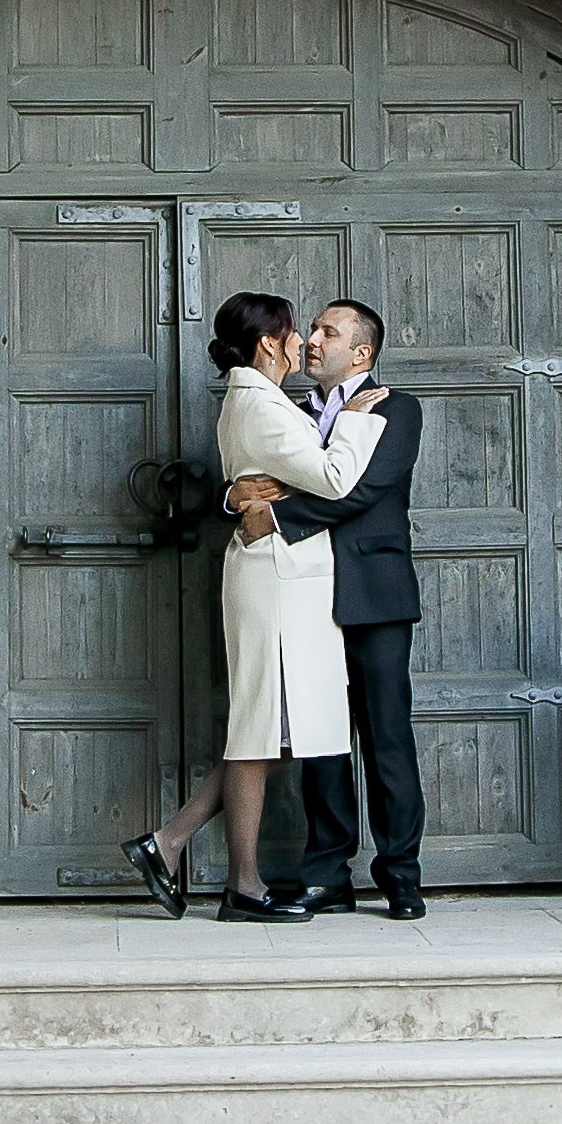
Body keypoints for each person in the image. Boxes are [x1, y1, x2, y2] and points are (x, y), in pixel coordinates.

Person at [121, 292, 386, 922]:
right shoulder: (260, 404)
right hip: (275, 583)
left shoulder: (260, 401)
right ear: (269, 342)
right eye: (296, 332)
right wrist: (354, 419)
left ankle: (168, 843)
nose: (303, 342)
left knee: (271, 732)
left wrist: (255, 488)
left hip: (284, 579)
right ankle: (239, 884)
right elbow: (335, 479)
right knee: (258, 731)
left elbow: (283, 474)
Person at [224, 296, 427, 922]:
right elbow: (254, 468)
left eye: (328, 332)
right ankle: (327, 876)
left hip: (373, 595)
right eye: (311, 328)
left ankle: (401, 876)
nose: (312, 338)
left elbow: (359, 491)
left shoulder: (396, 408)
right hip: (303, 594)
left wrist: (274, 516)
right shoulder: (288, 407)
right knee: (320, 742)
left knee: (386, 737)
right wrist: (234, 496)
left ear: (361, 353)